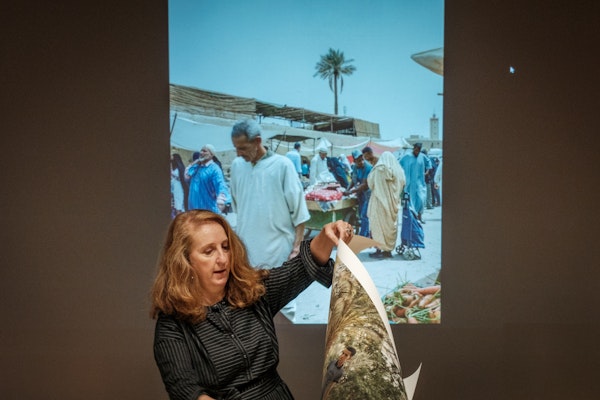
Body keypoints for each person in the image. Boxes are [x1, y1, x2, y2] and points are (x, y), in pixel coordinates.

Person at [151, 210, 354, 400]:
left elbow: (301, 267)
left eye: (225, 247)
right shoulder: (172, 325)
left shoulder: (252, 291)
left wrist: (327, 236)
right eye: (208, 251)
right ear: (185, 261)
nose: (222, 259)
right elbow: (185, 390)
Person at [367, 151, 406, 258]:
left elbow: (371, 183)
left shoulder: (379, 169)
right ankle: (388, 251)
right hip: (393, 204)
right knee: (390, 226)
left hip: (379, 203)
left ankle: (379, 250)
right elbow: (403, 183)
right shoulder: (399, 171)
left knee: (378, 226)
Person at [186, 144, 231, 214]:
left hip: (207, 211)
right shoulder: (197, 167)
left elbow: (221, 185)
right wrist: (196, 162)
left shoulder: (215, 169)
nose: (201, 152)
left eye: (204, 151)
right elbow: (187, 176)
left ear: (211, 155)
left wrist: (221, 198)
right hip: (193, 211)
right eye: (201, 150)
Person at [344, 150, 372, 237]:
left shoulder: (368, 167)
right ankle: (365, 231)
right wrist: (347, 189)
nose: (361, 162)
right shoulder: (355, 167)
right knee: (361, 214)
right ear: (355, 161)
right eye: (358, 160)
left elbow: (364, 184)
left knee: (364, 214)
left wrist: (351, 191)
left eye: (362, 159)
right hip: (360, 193)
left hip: (368, 193)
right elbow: (353, 179)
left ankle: (364, 235)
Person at [400, 143, 428, 223]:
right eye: (416, 150)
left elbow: (429, 164)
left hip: (420, 184)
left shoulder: (422, 156)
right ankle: (414, 219)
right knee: (411, 202)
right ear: (413, 148)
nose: (417, 152)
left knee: (421, 200)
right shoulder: (406, 157)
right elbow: (398, 165)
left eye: (419, 150)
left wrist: (427, 172)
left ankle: (420, 216)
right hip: (409, 185)